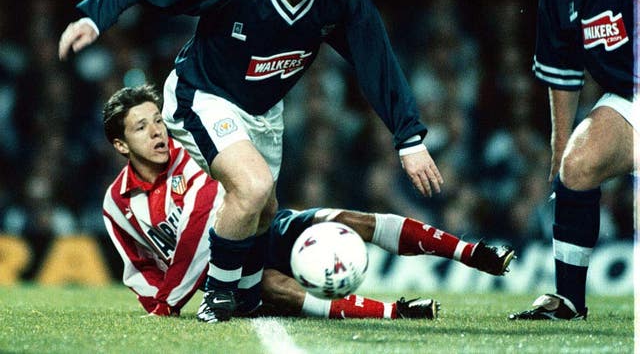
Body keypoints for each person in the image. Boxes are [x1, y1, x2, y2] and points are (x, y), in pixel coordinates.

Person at [58, 0, 444, 322]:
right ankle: (218, 297)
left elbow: (376, 61)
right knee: (252, 186)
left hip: (263, 111)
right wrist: (94, 18)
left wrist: (409, 139)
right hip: (202, 96)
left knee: (263, 210)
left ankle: (244, 297)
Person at [101, 85, 515, 321]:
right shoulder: (116, 203)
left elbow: (198, 233)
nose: (158, 132)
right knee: (276, 287)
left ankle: (472, 251)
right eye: (142, 127)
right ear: (121, 144)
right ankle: (395, 312)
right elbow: (136, 262)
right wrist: (155, 302)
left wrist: (168, 300)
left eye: (158, 119)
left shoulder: (193, 154)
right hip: (228, 274)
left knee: (347, 219)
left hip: (258, 232)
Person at [509, 0, 638, 321]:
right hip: (628, 99)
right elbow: (562, 69)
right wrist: (560, 144)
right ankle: (568, 300)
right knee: (577, 165)